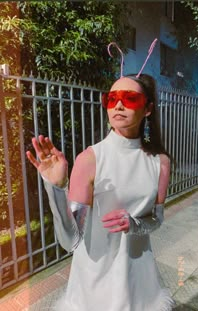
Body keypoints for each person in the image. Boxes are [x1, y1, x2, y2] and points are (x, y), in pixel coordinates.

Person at [26, 40, 175, 310]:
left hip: (138, 271)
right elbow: (70, 240)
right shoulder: (90, 159)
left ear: (148, 109)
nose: (118, 105)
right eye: (112, 99)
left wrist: (135, 224)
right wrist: (56, 187)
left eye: (130, 99)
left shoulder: (160, 162)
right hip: (95, 276)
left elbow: (157, 219)